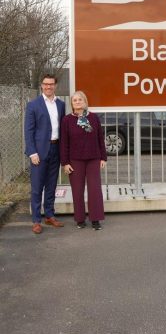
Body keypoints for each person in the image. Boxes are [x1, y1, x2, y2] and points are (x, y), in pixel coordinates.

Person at [24, 74, 66, 234]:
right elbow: (29, 131)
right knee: (37, 187)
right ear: (42, 85)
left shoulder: (61, 105)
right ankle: (36, 220)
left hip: (56, 149)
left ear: (55, 86)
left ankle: (49, 215)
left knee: (51, 185)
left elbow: (63, 128)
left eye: (51, 84)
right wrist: (32, 152)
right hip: (39, 152)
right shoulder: (33, 105)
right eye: (46, 84)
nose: (48, 87)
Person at [60, 91, 107, 230]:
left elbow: (100, 138)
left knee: (94, 190)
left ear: (85, 101)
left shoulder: (93, 118)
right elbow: (64, 143)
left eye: (80, 99)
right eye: (75, 100)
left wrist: (103, 157)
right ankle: (80, 219)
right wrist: (65, 163)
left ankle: (95, 219)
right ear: (72, 103)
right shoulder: (67, 120)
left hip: (93, 159)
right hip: (75, 160)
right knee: (77, 190)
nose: (77, 102)